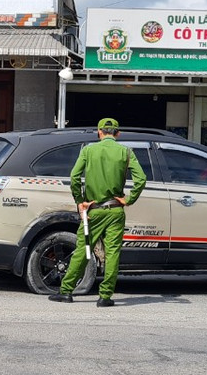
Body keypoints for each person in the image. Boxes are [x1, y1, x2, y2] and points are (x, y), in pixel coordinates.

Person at [49, 118, 146, 307]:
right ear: (117, 134)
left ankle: (66, 291)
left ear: (99, 132)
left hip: (93, 211)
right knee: (112, 253)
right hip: (115, 210)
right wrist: (129, 199)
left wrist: (80, 201)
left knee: (82, 249)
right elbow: (141, 179)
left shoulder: (88, 150)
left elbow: (74, 177)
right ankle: (105, 297)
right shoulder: (126, 152)